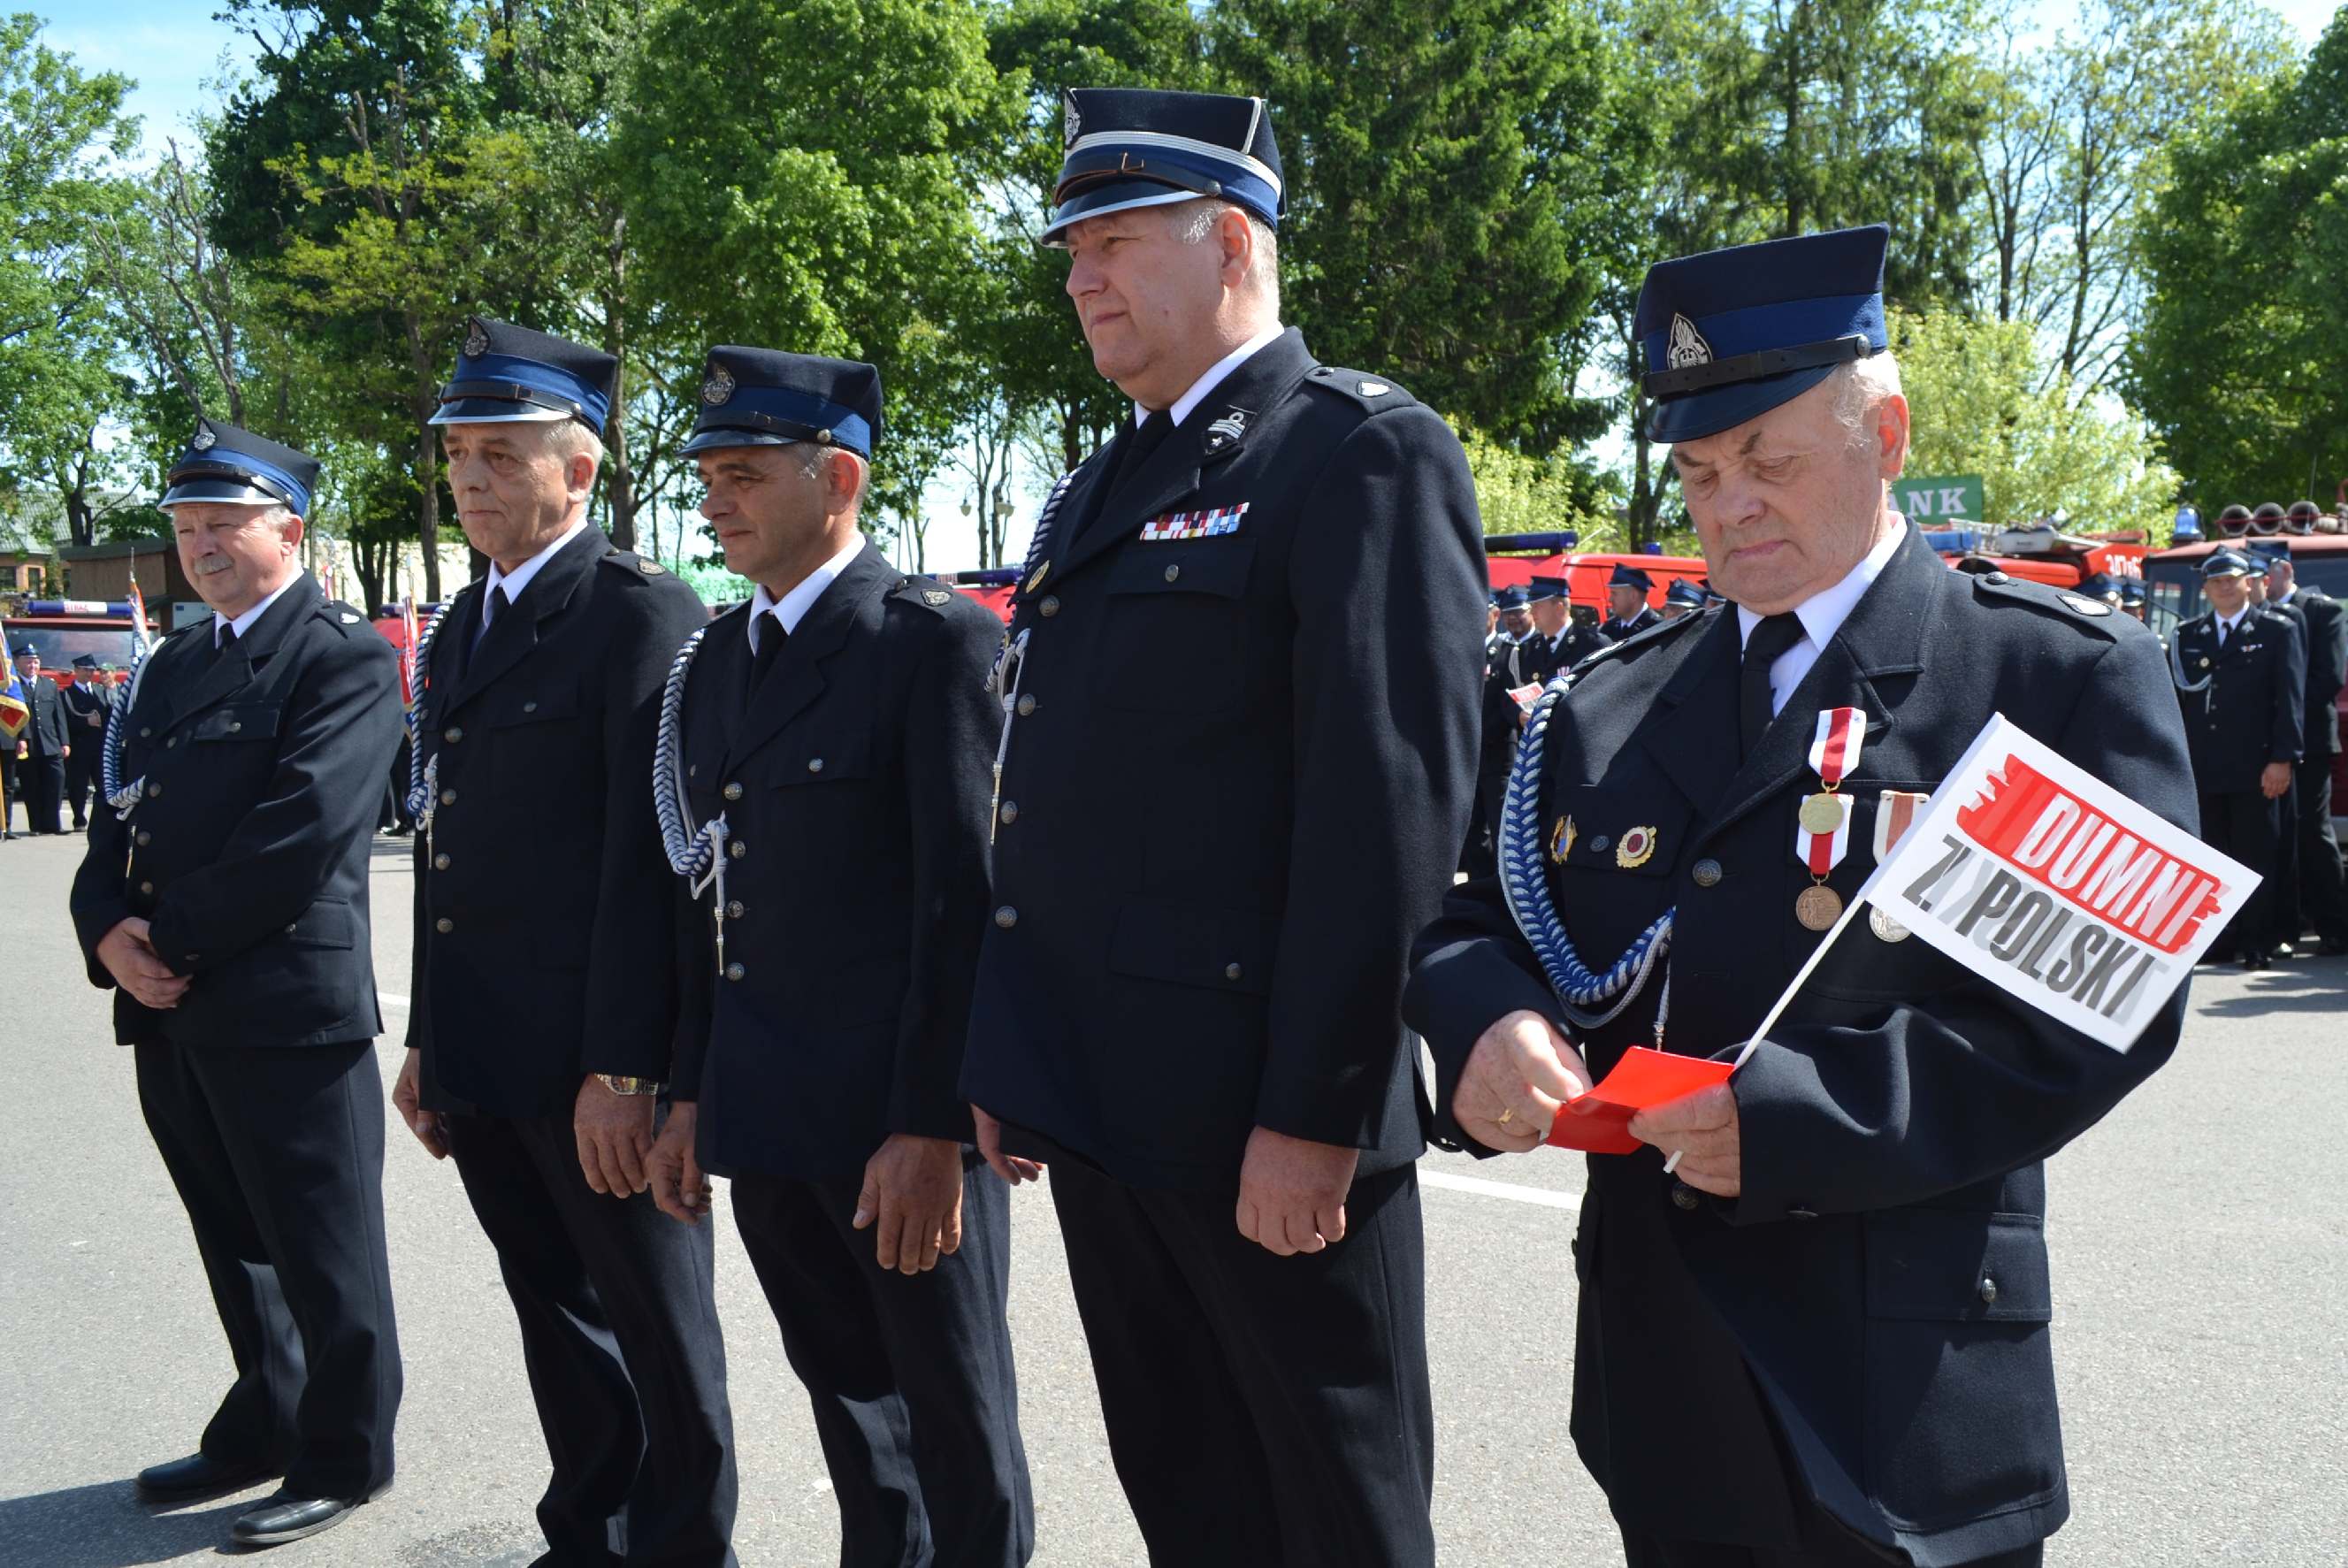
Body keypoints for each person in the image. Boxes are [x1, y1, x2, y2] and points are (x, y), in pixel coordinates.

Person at [1405, 224, 2193, 1568]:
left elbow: (2090, 1019)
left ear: (1882, 434)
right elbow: (1478, 909)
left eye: (1767, 459)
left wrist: (1790, 1123)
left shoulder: (2041, 678)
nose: (1729, 504)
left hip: (1903, 1384)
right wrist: (1480, 1019)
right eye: (1700, 471)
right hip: (1664, 1372)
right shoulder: (1611, 698)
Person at [960, 87, 1486, 1567]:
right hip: (1109, 1115)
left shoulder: (1356, 453)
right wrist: (1014, 1055)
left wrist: (1314, 1115)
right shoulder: (1101, 482)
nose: (1081, 281)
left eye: (1115, 242)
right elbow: (1043, 797)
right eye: (1073, 253)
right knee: (1188, 1501)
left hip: (1266, 1119)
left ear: (1234, 240)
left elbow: (1382, 813)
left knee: (1338, 1516)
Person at [644, 347, 1033, 1567]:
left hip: (891, 1126)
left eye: (745, 472)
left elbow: (963, 905)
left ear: (841, 479)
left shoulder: (930, 644)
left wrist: (929, 1124)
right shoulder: (713, 664)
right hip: (765, 1112)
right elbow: (712, 903)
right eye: (706, 474)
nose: (715, 498)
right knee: (850, 1408)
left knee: (957, 1423)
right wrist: (686, 1091)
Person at [393, 317, 738, 1564]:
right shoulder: (461, 629)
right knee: (556, 1315)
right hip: (488, 1051)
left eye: (500, 453)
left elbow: (655, 871)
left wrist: (630, 1069)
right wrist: (431, 1034)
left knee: (657, 1325)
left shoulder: (637, 614)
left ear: (578, 471)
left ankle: (685, 1547)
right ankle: (586, 1532)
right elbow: (445, 854)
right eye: (458, 456)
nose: (471, 479)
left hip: (597, 1067)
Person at [68, 419, 404, 1549]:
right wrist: (108, 926)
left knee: (322, 1244)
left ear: (291, 531)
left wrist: (168, 940)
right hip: (171, 1005)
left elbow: (303, 831)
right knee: (232, 1234)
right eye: (186, 526)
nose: (201, 544)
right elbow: (118, 817)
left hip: (282, 1010)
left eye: (224, 523)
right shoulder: (175, 662)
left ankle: (345, 1452)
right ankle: (265, 1417)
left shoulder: (342, 653)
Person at [2172, 547, 2303, 969]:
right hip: (2204, 767)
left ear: (2250, 582)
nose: (2225, 587)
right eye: (2216, 581)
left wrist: (2283, 758)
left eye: (2233, 579)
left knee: (2256, 856)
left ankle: (2256, 940)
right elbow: (2177, 703)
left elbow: (2289, 701)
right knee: (2210, 856)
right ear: (2206, 589)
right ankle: (2219, 940)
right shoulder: (2188, 636)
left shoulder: (2276, 630)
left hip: (2257, 767)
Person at [2256, 543, 2346, 953]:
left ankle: (2335, 926)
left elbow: (2329, 679)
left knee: (2312, 830)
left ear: (2284, 571)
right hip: (2263, 741)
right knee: (2274, 835)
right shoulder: (2256, 618)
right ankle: (2282, 926)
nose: (2257, 583)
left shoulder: (2324, 613)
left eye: (2262, 574)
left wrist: (2280, 704)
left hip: (2309, 740)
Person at [13, 646, 68, 831]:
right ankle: (36, 825)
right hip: (28, 745)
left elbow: (59, 716)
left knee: (56, 781)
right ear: (18, 663)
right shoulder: (13, 688)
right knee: (31, 786)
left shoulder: (49, 685)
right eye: (28, 661)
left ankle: (53, 824)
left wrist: (65, 741)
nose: (32, 665)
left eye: (35, 661)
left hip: (51, 743)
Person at [60, 653, 114, 830]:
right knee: (79, 786)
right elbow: (64, 721)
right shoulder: (67, 694)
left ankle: (105, 818)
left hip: (100, 746)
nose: (89, 674)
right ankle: (79, 819)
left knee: (104, 784)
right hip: (79, 746)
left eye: (91, 670)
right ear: (76, 671)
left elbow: (109, 715)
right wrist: (85, 722)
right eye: (85, 670)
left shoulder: (100, 691)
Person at [1599, 563, 1661, 641]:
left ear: (1633, 596)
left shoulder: (1658, 629)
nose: (1610, 599)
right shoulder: (1608, 628)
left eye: (1614, 593)